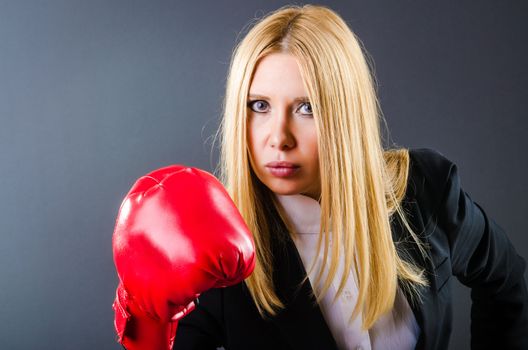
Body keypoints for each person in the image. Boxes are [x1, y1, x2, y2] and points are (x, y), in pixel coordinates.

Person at [113, 4, 528, 350]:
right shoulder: (217, 255)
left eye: (307, 107)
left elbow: (507, 284)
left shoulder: (424, 188)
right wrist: (146, 320)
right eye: (259, 106)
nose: (279, 137)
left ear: (346, 114)